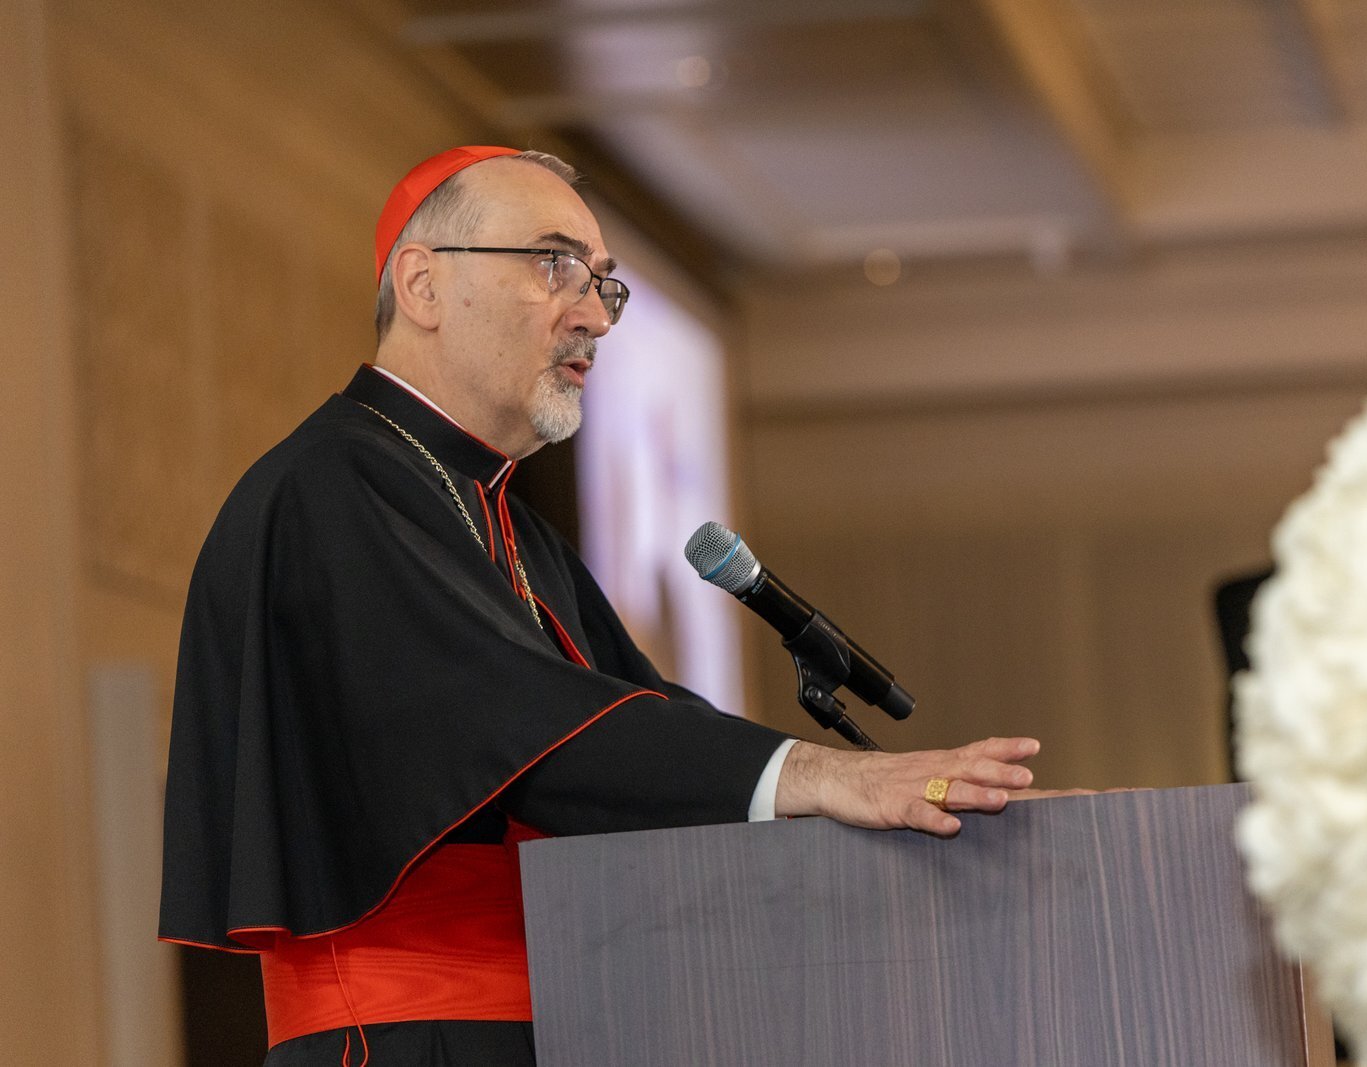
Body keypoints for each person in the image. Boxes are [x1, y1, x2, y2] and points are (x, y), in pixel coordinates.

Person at [158, 145, 1041, 1065]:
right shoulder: (333, 485)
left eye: (605, 285)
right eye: (555, 267)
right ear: (422, 285)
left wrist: (951, 817)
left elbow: (648, 729)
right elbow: (521, 730)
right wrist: (823, 779)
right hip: (408, 1038)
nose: (594, 316)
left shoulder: (510, 522)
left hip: (564, 1024)